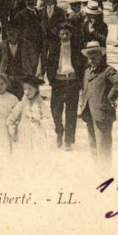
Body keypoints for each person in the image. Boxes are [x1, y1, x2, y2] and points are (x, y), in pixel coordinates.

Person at [79, 41, 118, 165]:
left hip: (103, 113)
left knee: (103, 146)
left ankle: (105, 174)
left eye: (95, 54)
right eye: (89, 55)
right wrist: (82, 104)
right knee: (93, 144)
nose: (92, 58)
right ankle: (97, 173)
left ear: (101, 55)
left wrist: (110, 98)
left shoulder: (108, 70)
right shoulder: (87, 72)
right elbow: (84, 89)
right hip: (89, 112)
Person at [45, 22, 86, 151]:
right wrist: (51, 79)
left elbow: (82, 65)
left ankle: (68, 140)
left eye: (67, 33)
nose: (64, 36)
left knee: (71, 112)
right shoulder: (54, 48)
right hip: (58, 82)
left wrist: (80, 82)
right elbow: (49, 63)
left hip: (72, 81)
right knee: (55, 110)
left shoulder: (76, 48)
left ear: (71, 34)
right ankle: (59, 132)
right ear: (58, 34)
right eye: (62, 33)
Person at [7, 76, 50, 162]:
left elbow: (47, 117)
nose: (27, 92)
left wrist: (40, 122)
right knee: (25, 155)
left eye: (30, 89)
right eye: (25, 89)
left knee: (37, 154)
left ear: (36, 90)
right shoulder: (22, 103)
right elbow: (11, 117)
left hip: (37, 133)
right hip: (24, 133)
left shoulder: (40, 103)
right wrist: (12, 128)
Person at [0, 22, 37, 100]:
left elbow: (33, 61)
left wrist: (26, 70)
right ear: (6, 32)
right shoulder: (1, 45)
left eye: (14, 30)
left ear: (18, 31)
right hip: (7, 79)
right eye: (9, 30)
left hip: (23, 78)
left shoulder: (27, 44)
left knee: (23, 101)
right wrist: (3, 74)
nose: (11, 33)